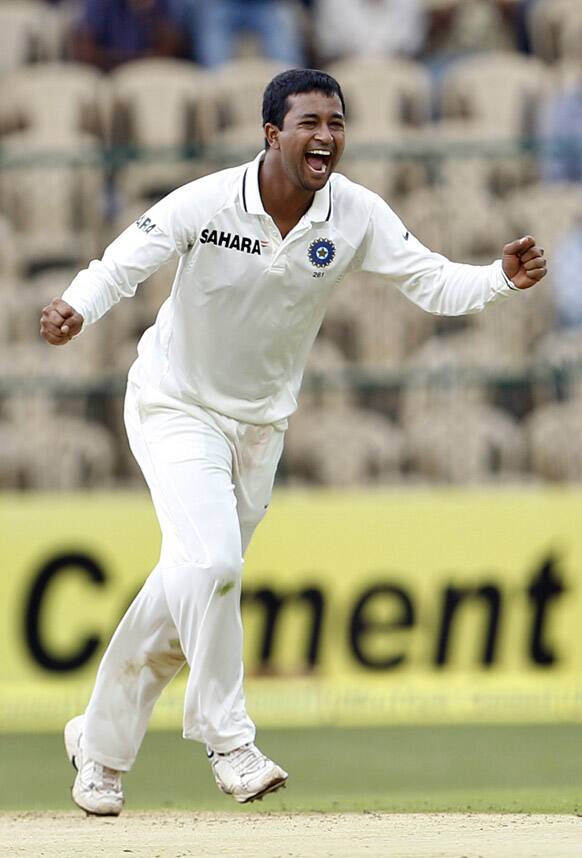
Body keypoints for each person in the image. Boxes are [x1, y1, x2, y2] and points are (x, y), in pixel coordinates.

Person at [40, 68, 547, 816]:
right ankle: (228, 740)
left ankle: (99, 749)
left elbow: (434, 284)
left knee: (184, 592)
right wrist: (75, 308)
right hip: (174, 405)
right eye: (310, 122)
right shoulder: (208, 201)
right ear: (272, 133)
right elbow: (123, 263)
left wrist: (498, 279)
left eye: (337, 123)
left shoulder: (355, 213)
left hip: (259, 429)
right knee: (212, 564)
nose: (326, 137)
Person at [73, 0, 183, 72]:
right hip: (108, 79)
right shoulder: (100, 3)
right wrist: (133, 65)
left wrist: (150, 13)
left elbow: (169, 51)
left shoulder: (158, 4)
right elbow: (85, 54)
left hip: (149, 75)